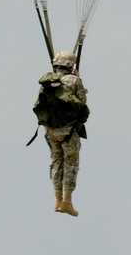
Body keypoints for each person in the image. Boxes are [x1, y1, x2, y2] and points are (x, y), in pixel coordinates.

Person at [32, 51, 89, 216]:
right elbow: (82, 102)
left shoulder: (48, 82)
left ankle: (56, 201)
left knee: (56, 163)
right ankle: (67, 201)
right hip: (69, 130)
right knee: (71, 164)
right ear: (70, 65)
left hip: (51, 131)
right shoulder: (74, 80)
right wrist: (80, 81)